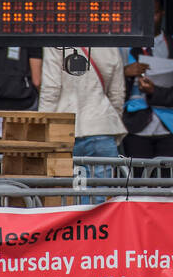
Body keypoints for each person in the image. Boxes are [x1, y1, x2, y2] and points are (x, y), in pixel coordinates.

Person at [39, 45, 126, 196]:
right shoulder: (110, 45)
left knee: (69, 197)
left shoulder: (56, 44)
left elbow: (51, 89)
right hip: (102, 126)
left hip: (64, 129)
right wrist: (111, 120)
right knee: (104, 195)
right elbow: (117, 93)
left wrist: (41, 128)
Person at [122, 0, 173, 160]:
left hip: (172, 128)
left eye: (154, 14)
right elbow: (109, 90)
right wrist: (125, 73)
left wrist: (155, 91)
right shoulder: (123, 49)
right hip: (136, 127)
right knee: (138, 184)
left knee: (172, 184)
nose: (148, 19)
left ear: (162, 14)